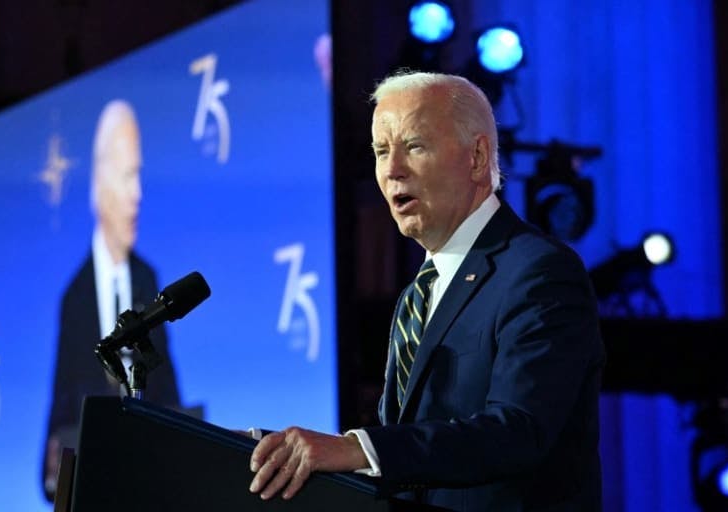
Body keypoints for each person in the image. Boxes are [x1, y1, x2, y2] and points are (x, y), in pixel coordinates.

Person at [248, 72, 605, 511]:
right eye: (381, 151)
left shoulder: (539, 271)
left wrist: (360, 449)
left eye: (414, 146)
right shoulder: (416, 296)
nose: (392, 169)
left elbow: (519, 430)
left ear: (477, 157)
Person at [42, 100, 181, 500]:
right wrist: (53, 464)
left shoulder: (148, 279)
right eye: (126, 177)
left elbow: (170, 397)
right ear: (100, 182)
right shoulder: (75, 299)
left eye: (140, 176)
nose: (137, 194)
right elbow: (57, 427)